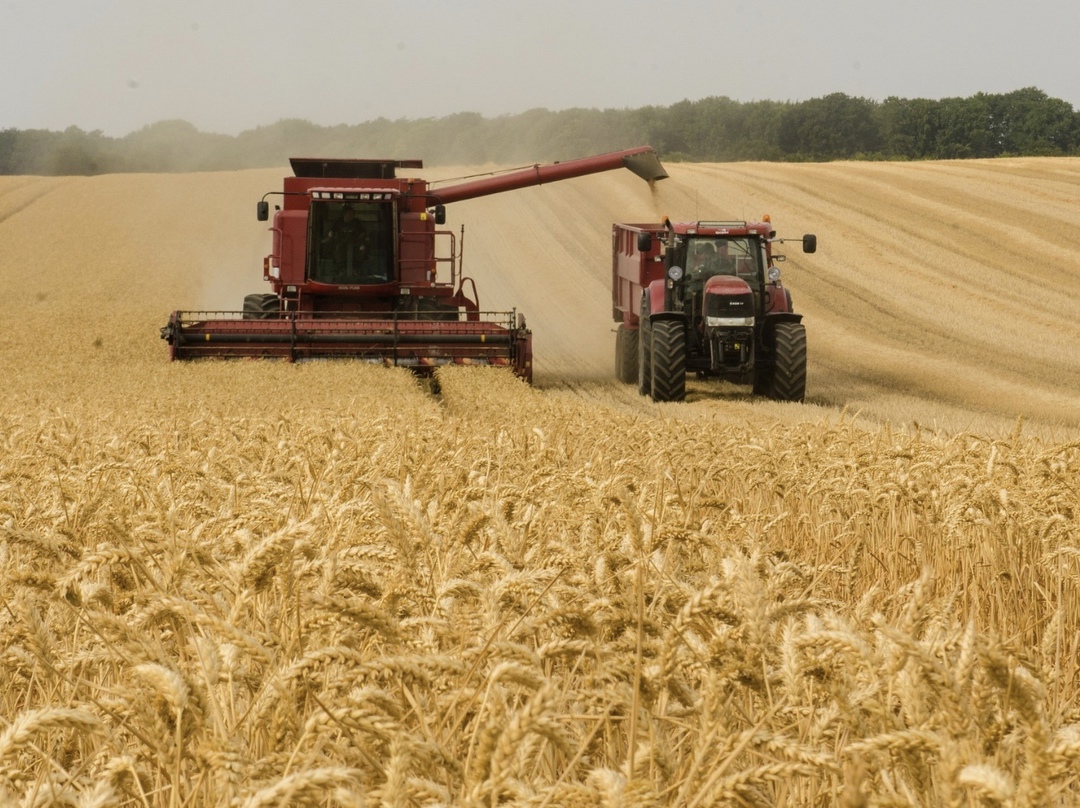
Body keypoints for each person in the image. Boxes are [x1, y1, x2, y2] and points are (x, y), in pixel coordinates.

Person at [324, 205, 373, 280]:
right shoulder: (338, 221)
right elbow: (331, 232)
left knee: (361, 249)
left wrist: (362, 239)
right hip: (340, 243)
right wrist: (330, 236)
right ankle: (341, 269)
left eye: (352, 214)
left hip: (355, 243)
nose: (351, 215)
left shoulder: (356, 222)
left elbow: (363, 232)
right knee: (338, 248)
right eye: (349, 213)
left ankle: (356, 269)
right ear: (344, 214)